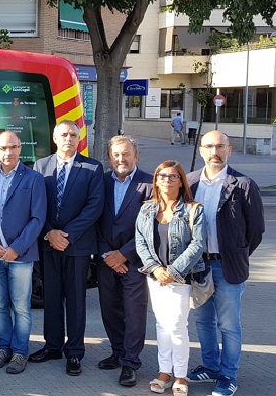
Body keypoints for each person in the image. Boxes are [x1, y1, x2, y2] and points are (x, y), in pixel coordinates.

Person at [186, 130, 265, 396]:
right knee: (203, 322)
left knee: (229, 325)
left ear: (229, 150)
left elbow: (255, 230)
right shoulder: (191, 182)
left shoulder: (243, 184)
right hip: (198, 267)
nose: (214, 152)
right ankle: (209, 366)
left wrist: (237, 254)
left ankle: (228, 375)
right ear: (201, 151)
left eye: (220, 146)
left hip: (227, 267)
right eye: (208, 146)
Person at [30, 120, 104, 377]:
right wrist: (49, 232)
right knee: (50, 298)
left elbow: (94, 206)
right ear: (54, 136)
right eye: (64, 134)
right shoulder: (41, 166)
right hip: (49, 244)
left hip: (77, 246)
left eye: (73, 134)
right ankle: (52, 346)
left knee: (75, 300)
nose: (68, 138)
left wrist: (67, 235)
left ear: (79, 137)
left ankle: (74, 352)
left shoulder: (92, 168)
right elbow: (36, 205)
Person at [135, 160, 206, 395]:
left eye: (173, 176)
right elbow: (141, 242)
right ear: (156, 180)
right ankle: (164, 372)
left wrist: (173, 272)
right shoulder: (146, 209)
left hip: (181, 278)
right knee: (161, 325)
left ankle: (181, 376)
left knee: (176, 325)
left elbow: (197, 245)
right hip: (155, 277)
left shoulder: (193, 208)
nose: (167, 179)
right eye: (162, 175)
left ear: (181, 181)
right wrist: (155, 268)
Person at [0, 131, 46, 375]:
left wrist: (16, 248)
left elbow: (37, 218)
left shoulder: (34, 178)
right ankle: (4, 348)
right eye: (3, 148)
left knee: (21, 306)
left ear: (20, 149)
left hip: (21, 255)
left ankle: (20, 352)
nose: (8, 153)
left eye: (13, 147)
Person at [97, 135, 153, 387]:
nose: (121, 159)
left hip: (135, 260)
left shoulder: (150, 184)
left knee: (133, 312)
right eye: (116, 154)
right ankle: (117, 352)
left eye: (126, 153)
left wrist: (125, 254)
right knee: (110, 309)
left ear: (136, 156)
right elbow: (92, 218)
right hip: (105, 258)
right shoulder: (100, 182)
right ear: (110, 157)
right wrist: (107, 253)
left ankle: (131, 363)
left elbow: (152, 227)